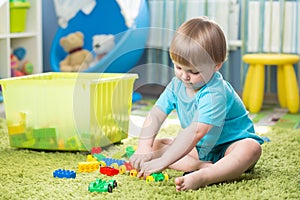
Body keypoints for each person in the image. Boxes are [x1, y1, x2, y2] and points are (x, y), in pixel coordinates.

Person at [129, 16, 264, 191]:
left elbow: (196, 132)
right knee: (157, 145)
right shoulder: (177, 85)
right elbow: (156, 114)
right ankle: (200, 166)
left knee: (251, 149)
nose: (184, 76)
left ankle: (206, 176)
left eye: (193, 71)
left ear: (216, 66)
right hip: (200, 150)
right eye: (178, 67)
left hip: (230, 146)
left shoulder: (215, 92)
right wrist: (143, 147)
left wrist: (163, 161)